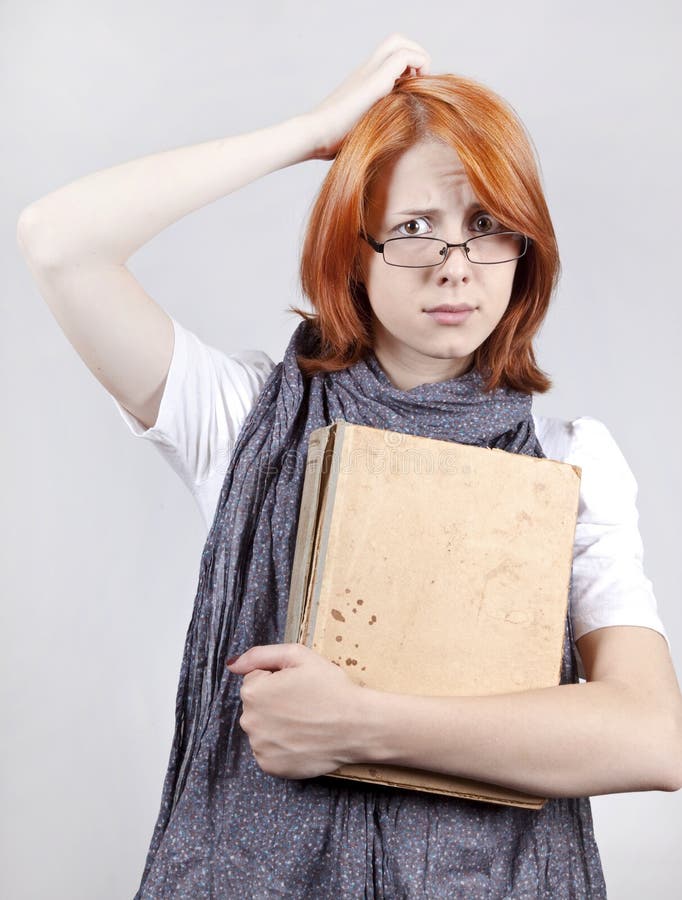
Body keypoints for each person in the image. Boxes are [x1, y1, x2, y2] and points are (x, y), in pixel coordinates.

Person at [18, 32, 682, 899]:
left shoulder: (569, 462)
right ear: (353, 252)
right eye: (413, 228)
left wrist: (360, 726)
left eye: (487, 227)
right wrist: (311, 133)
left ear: (525, 252)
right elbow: (59, 240)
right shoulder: (244, 421)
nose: (455, 266)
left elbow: (649, 738)